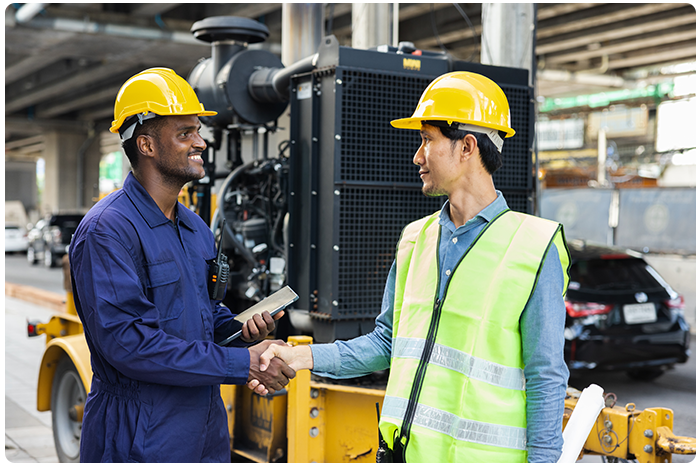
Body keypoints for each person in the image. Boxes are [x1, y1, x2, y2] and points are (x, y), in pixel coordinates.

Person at [250, 71, 571, 463]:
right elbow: (387, 343)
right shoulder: (416, 239)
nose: (417, 156)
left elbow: (546, 377)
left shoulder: (533, 246)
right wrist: (301, 357)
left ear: (467, 146)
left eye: (427, 140)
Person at [69, 67, 295, 463]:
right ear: (147, 145)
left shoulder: (194, 228)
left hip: (205, 427)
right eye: (185, 133)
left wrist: (242, 331)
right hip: (138, 432)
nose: (201, 142)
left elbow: (205, 315)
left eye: (197, 131)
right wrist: (243, 364)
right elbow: (131, 346)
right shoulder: (107, 231)